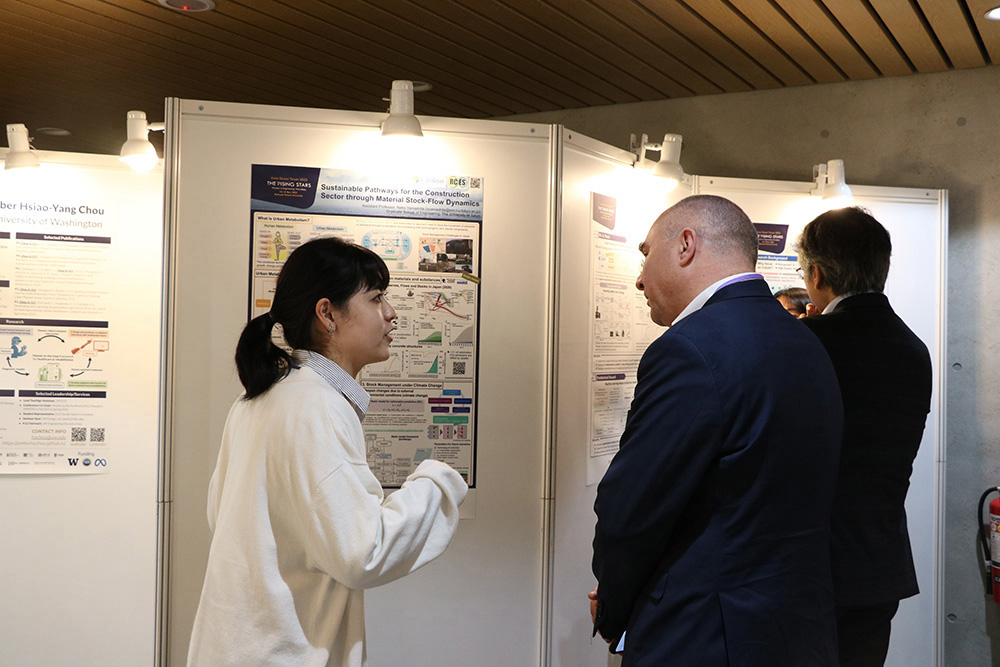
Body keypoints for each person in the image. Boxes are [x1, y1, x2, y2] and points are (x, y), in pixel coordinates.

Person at [187, 237, 468, 667]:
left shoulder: (260, 396)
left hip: (238, 647)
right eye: (376, 298)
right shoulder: (316, 404)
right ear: (328, 314)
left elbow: (221, 516)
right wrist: (437, 482)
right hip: (283, 654)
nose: (391, 313)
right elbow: (362, 553)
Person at [590, 195, 844, 666]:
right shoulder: (806, 340)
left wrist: (613, 607)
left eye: (646, 254)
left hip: (706, 635)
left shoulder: (690, 348)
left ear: (685, 245)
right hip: (796, 629)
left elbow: (632, 510)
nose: (639, 278)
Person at [798, 207, 932, 667]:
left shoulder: (804, 342)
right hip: (878, 566)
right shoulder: (914, 349)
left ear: (816, 274)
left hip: (807, 568)